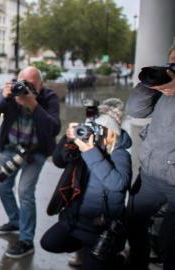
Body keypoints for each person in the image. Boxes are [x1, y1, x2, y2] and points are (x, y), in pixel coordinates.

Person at [41, 98, 132, 270]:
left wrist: (90, 152)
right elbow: (59, 161)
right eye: (95, 129)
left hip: (103, 228)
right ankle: (87, 251)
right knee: (49, 243)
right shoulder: (87, 144)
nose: (97, 135)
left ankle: (111, 259)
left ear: (113, 132)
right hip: (77, 219)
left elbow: (118, 183)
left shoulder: (120, 154)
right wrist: (68, 138)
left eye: (103, 130)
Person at [0, 66, 60, 258]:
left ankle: (26, 240)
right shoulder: (11, 95)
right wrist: (3, 96)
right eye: (22, 82)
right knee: (2, 187)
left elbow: (54, 129)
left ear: (40, 85)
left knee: (25, 191)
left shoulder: (48, 97)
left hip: (36, 151)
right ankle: (15, 220)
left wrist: (33, 105)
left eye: (31, 84)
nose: (25, 87)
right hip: (11, 148)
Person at [125, 44, 175, 270]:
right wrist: (150, 85)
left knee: (169, 244)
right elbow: (135, 110)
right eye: (172, 63)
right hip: (150, 175)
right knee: (133, 227)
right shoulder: (163, 86)